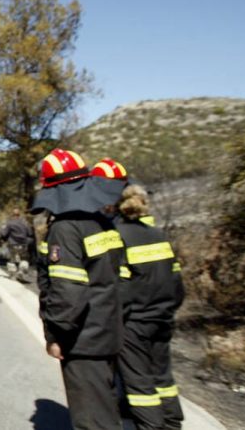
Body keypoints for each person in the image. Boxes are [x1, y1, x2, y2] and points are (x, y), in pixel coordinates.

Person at [32, 148, 126, 430]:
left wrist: (56, 335)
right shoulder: (102, 222)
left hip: (82, 341)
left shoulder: (65, 228)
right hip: (108, 332)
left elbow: (68, 293)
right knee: (107, 412)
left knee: (92, 422)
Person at [93, 159, 185, 429]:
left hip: (135, 323)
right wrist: (167, 309)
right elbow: (177, 282)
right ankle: (172, 423)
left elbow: (120, 288)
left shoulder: (116, 236)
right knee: (163, 379)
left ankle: (151, 425)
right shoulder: (158, 234)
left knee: (139, 385)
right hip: (164, 318)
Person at [1, 207, 35, 282]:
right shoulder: (25, 223)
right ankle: (21, 272)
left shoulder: (9, 223)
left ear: (12, 215)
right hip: (23, 244)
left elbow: (4, 234)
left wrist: (2, 230)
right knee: (24, 259)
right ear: (19, 215)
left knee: (12, 260)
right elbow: (30, 233)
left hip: (12, 244)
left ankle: (12, 275)